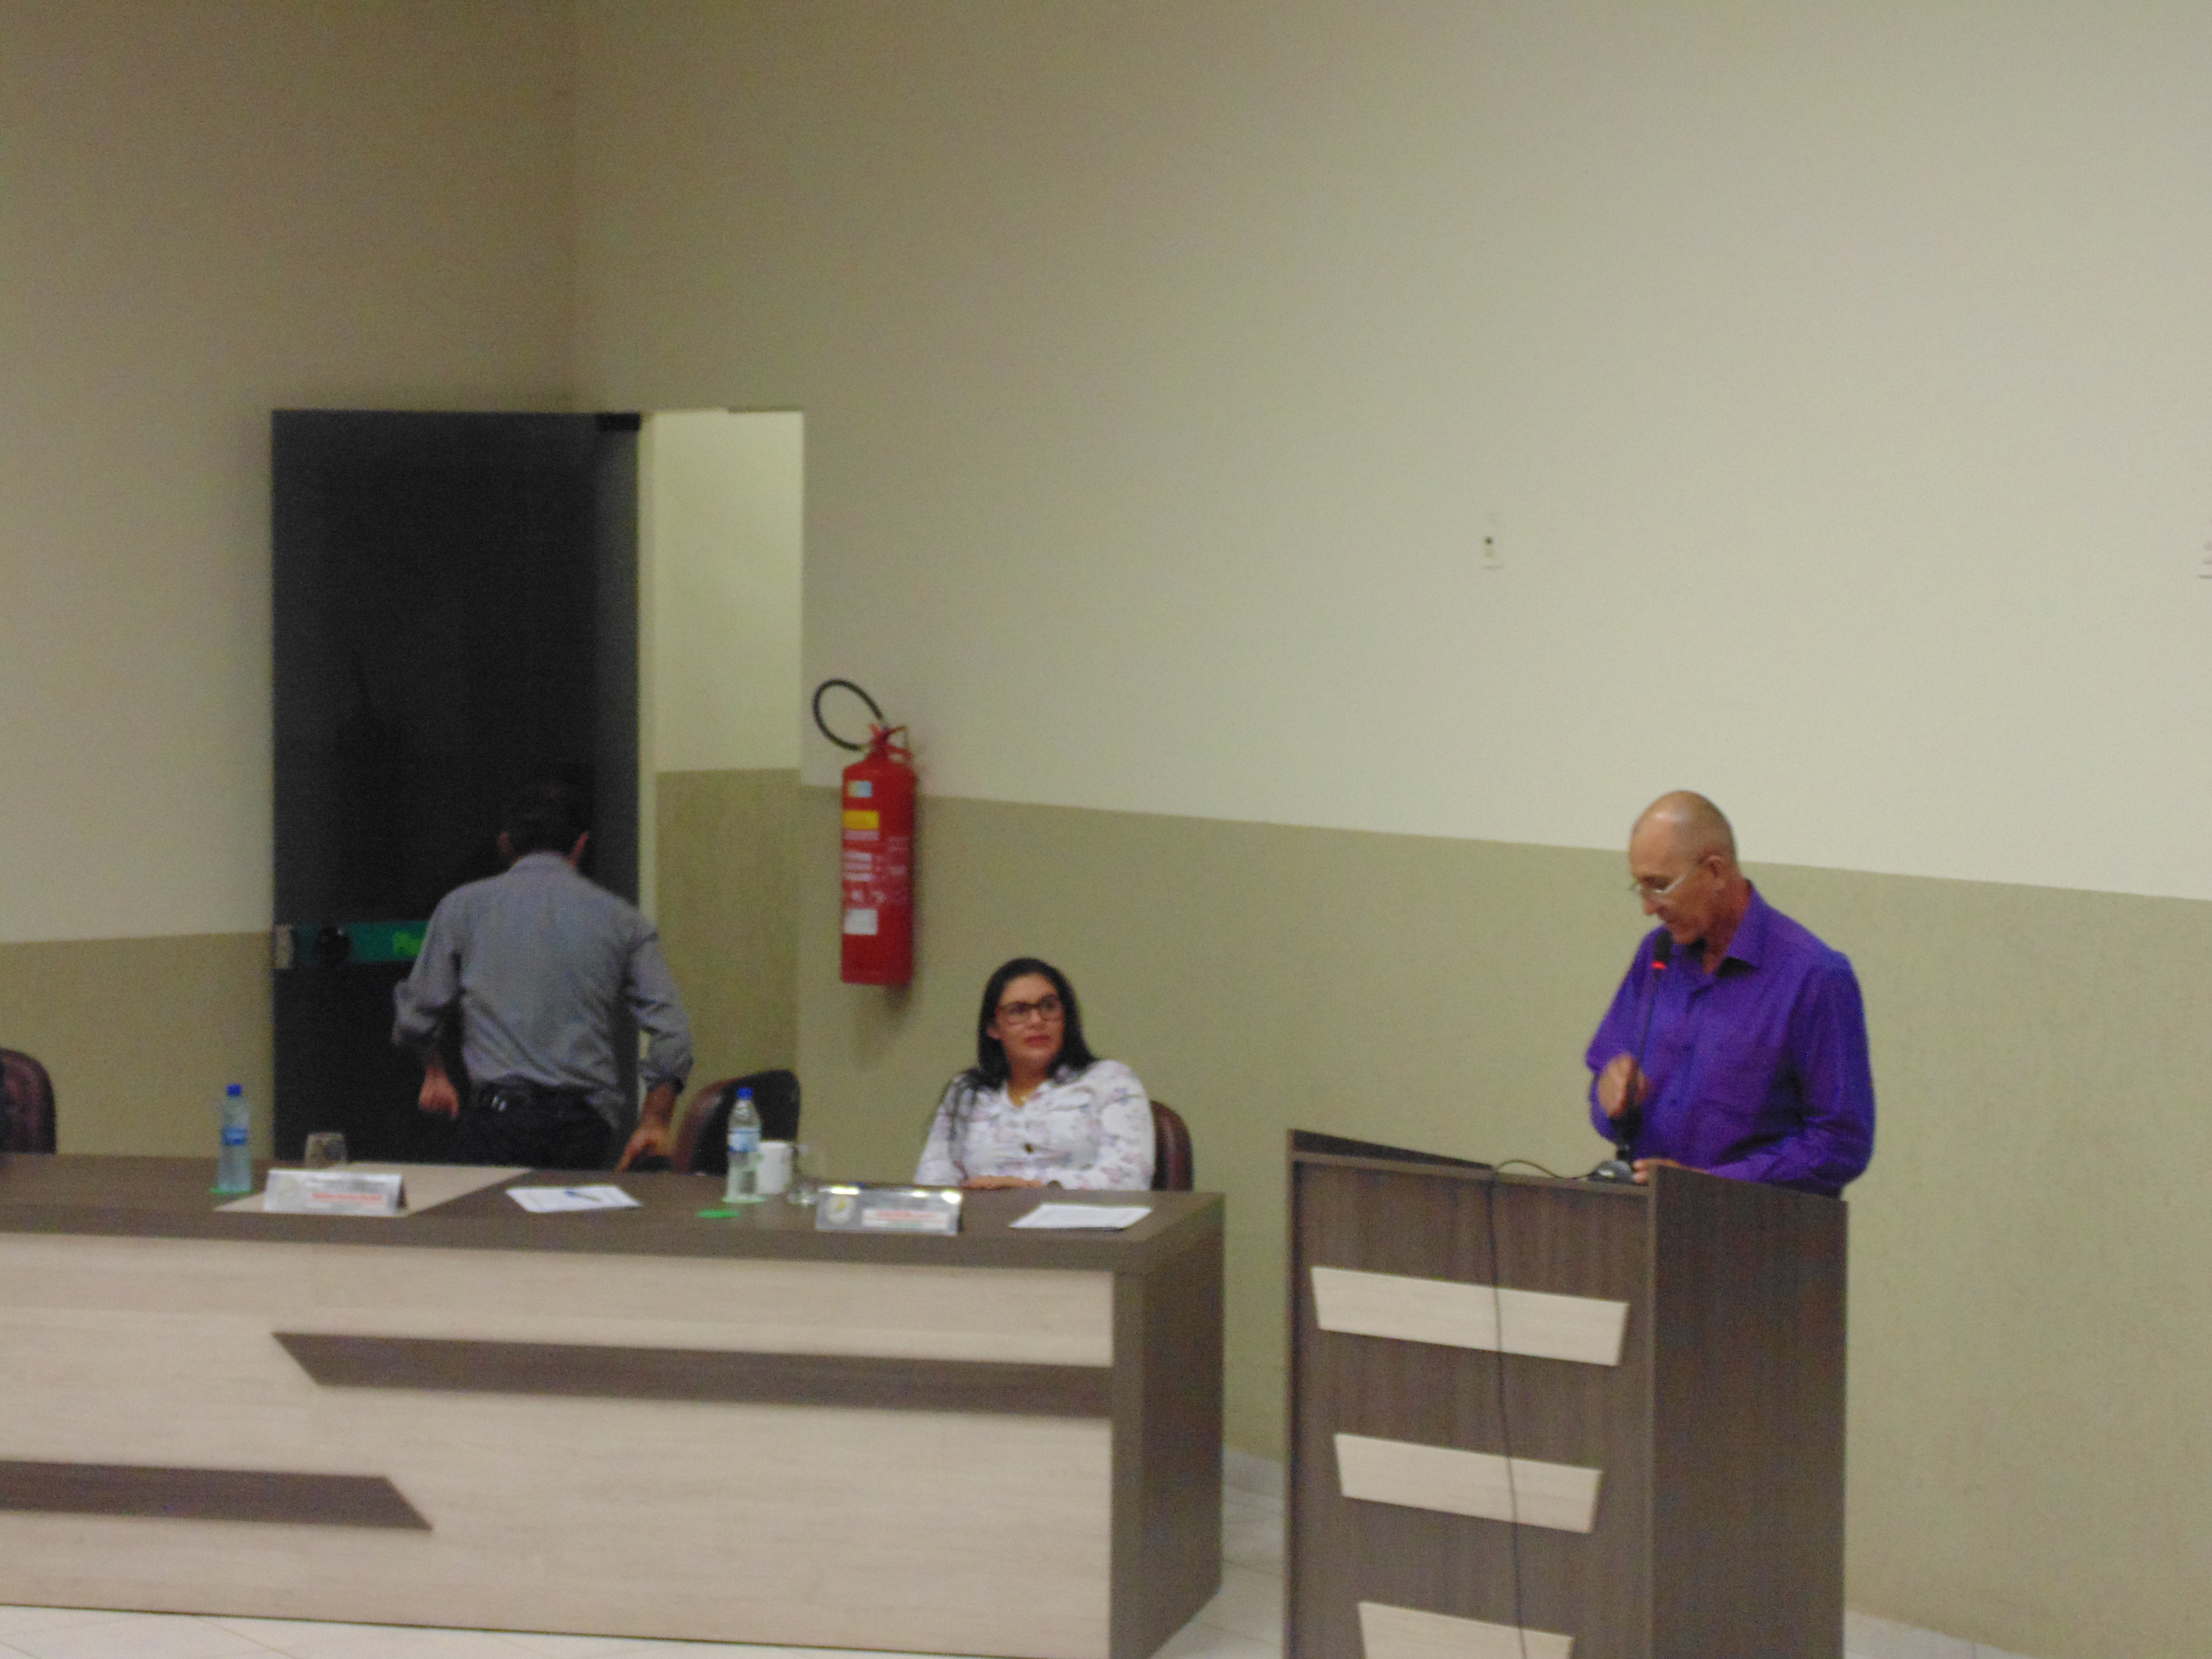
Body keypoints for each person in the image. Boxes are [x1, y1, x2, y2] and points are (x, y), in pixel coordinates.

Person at [392, 779, 694, 1171]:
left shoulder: (462, 908)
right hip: (586, 1127)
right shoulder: (623, 921)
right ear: (581, 845)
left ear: (505, 845)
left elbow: (416, 1018)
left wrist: (435, 1072)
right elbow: (673, 1032)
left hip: (498, 1122)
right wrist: (655, 1120)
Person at [1586, 791, 1874, 1195]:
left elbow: (1840, 1143)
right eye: (1642, 888)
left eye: (1660, 886)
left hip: (1756, 1226)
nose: (1649, 908)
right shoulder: (1657, 956)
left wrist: (1713, 1187)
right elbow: (1605, 1087)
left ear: (1715, 872)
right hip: (1646, 1218)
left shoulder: (1814, 977)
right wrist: (1610, 1097)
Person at [916, 957, 1155, 1190]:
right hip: (983, 1216)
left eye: (1049, 1007)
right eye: (1018, 1011)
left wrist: (1030, 1187)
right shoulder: (967, 1092)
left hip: (1079, 1216)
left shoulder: (1110, 1080)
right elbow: (933, 1180)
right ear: (994, 1027)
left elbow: (1129, 1178)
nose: (1036, 1021)